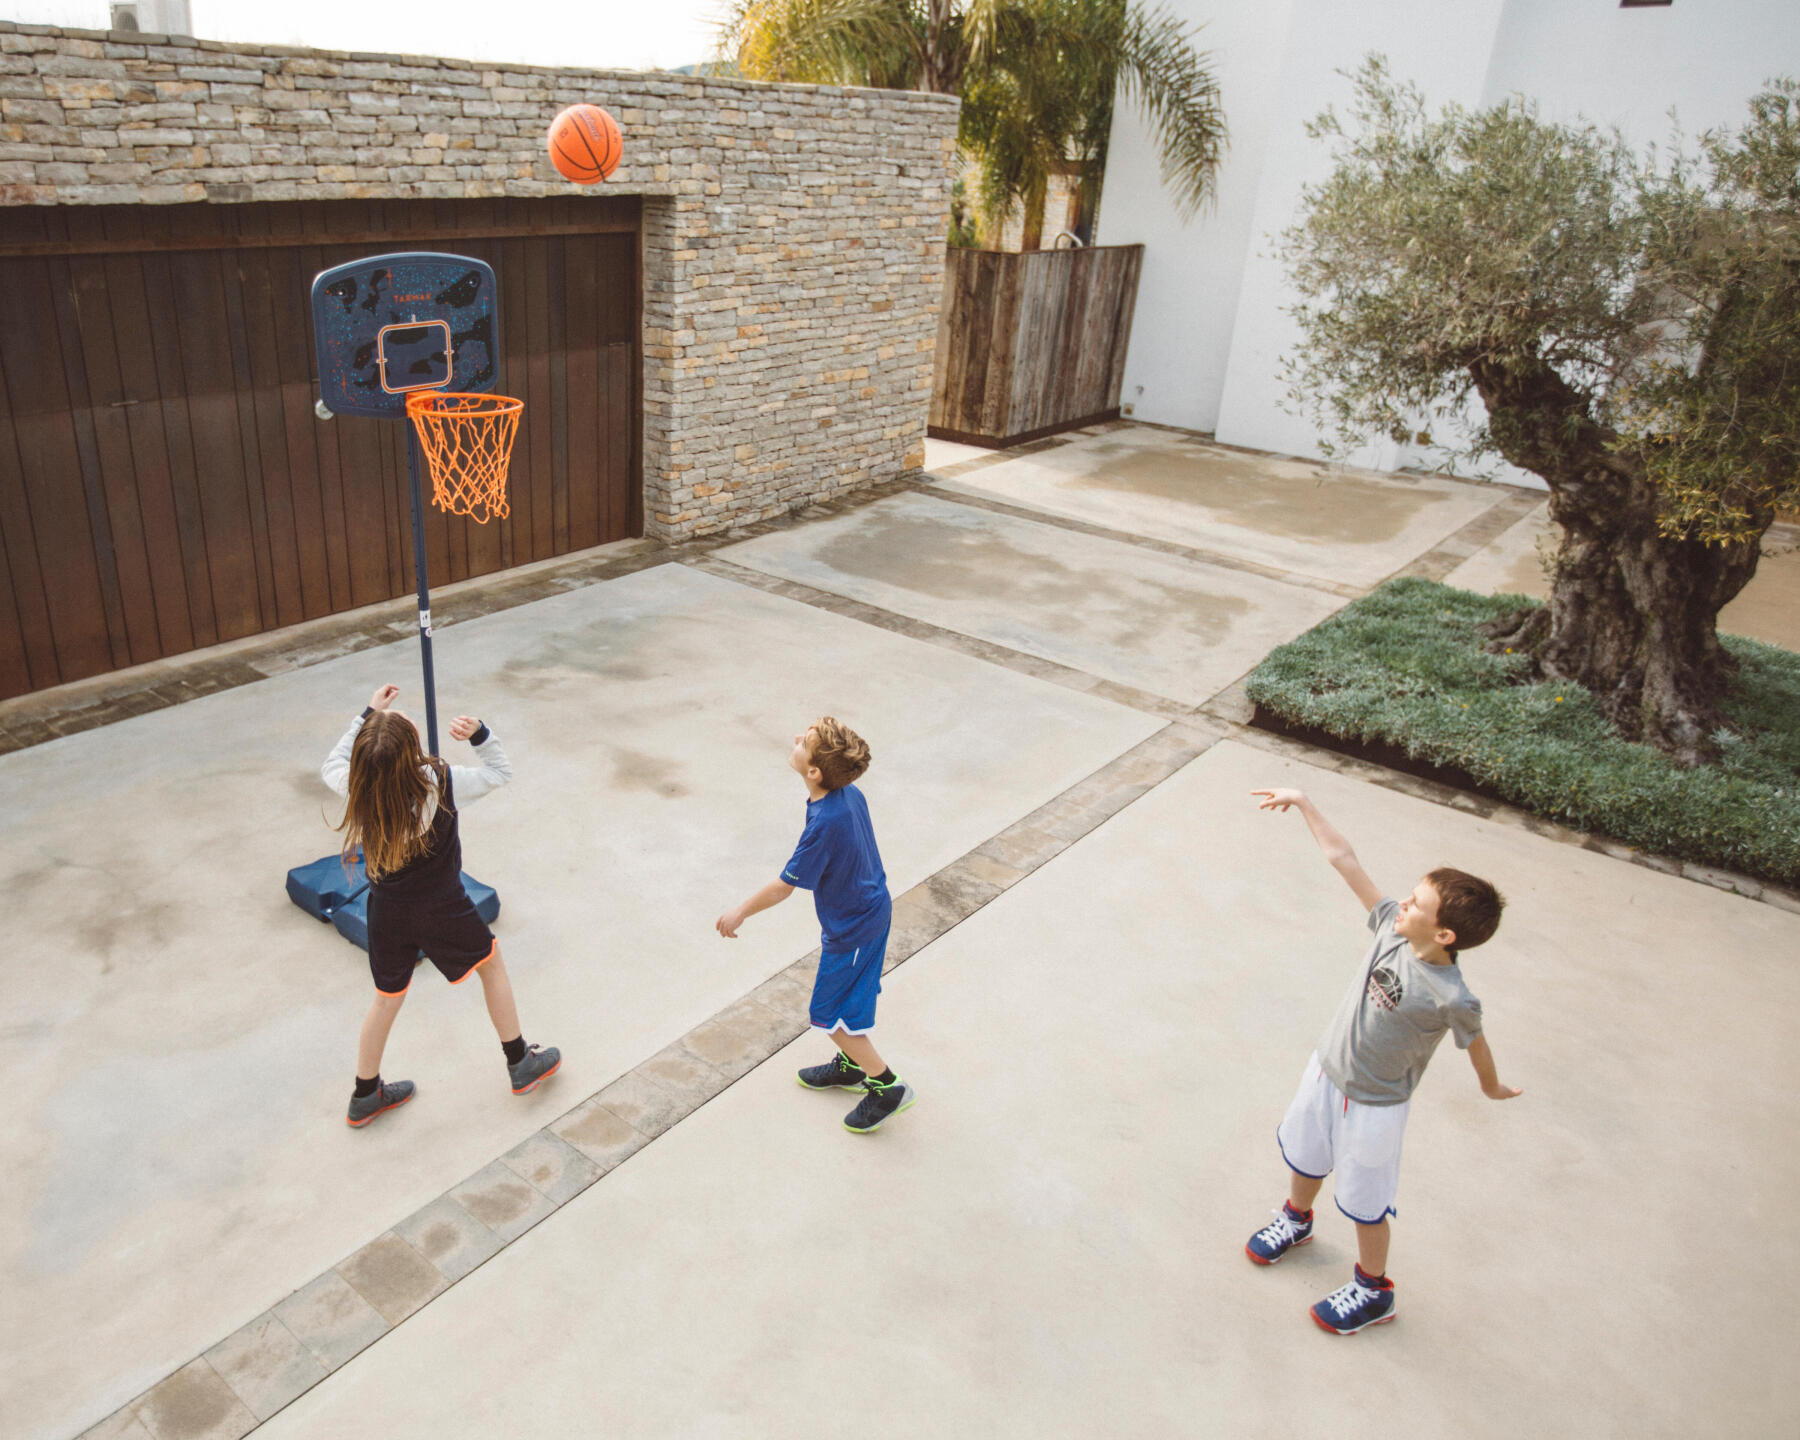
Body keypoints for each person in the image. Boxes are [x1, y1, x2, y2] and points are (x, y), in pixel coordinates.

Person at [1244, 787, 1520, 1334]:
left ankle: (1374, 1291)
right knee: (1306, 1149)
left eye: (1417, 903)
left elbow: (1476, 1041)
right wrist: (1304, 801)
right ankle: (1296, 1220)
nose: (1404, 903)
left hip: (1375, 1104)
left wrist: (1491, 1087)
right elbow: (1344, 859)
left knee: (1368, 1203)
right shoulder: (1391, 928)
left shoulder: (1451, 994)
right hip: (1326, 1071)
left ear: (1443, 934)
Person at [323, 683, 560, 1127]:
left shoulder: (357, 787)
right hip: (442, 905)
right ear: (413, 752)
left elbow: (332, 763)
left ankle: (364, 1094)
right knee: (491, 966)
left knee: (386, 998)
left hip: (387, 912)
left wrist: (365, 716)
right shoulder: (440, 782)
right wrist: (480, 734)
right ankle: (519, 1062)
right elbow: (499, 773)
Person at [716, 718, 913, 1134]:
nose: (794, 739)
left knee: (829, 1016)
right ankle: (850, 1066)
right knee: (849, 1005)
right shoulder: (848, 794)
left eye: (804, 742)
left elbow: (784, 887)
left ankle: (886, 1085)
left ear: (814, 772)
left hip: (854, 930)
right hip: (870, 912)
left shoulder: (825, 822)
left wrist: (740, 912)